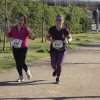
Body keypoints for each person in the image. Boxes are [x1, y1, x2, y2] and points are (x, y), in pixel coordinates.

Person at [3, 14, 35, 82]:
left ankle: (27, 71)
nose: (20, 21)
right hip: (15, 47)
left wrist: (32, 35)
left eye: (22, 20)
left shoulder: (26, 29)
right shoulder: (13, 28)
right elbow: (9, 36)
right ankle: (21, 76)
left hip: (23, 47)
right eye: (19, 19)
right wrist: (5, 33)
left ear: (24, 21)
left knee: (21, 61)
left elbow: (32, 37)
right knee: (17, 62)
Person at [46, 14, 72, 84]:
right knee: (53, 65)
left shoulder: (65, 30)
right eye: (57, 19)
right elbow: (47, 37)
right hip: (53, 49)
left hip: (62, 49)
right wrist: (50, 40)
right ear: (55, 20)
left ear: (62, 21)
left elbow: (70, 37)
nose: (58, 21)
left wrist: (67, 41)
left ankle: (58, 78)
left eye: (60, 20)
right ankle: (56, 69)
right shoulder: (52, 29)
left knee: (59, 64)